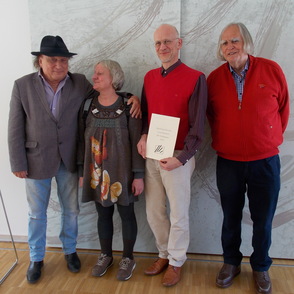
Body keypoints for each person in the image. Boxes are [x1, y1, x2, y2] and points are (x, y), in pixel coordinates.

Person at [7, 35, 140, 284]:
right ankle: (36, 258)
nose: (59, 65)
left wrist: (133, 97)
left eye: (64, 60)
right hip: (35, 160)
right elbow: (15, 126)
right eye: (53, 60)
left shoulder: (79, 82)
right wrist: (18, 163)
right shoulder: (22, 85)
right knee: (37, 214)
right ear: (40, 60)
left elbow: (110, 90)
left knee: (71, 211)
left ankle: (70, 252)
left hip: (70, 161)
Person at [207, 23, 290, 294]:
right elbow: (211, 116)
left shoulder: (271, 69)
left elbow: (283, 109)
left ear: (247, 42)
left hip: (265, 161)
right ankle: (231, 262)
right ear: (220, 50)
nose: (230, 47)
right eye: (224, 43)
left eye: (235, 40)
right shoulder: (214, 79)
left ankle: (261, 266)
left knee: (262, 218)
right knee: (230, 216)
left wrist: (266, 137)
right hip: (228, 161)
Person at [137, 24, 207, 287]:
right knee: (154, 211)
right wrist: (143, 135)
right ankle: (164, 254)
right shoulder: (149, 77)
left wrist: (183, 157)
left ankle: (177, 262)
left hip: (178, 156)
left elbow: (198, 124)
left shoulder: (195, 77)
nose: (162, 47)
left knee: (179, 213)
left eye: (167, 42)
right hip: (153, 152)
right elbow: (146, 114)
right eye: (157, 43)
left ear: (179, 43)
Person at [78, 59, 144, 281]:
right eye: (94, 73)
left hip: (124, 174)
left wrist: (139, 176)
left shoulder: (128, 106)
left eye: (99, 73)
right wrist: (81, 172)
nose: (94, 76)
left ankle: (128, 258)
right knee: (102, 215)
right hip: (96, 173)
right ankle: (105, 255)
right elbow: (81, 142)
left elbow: (137, 143)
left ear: (113, 78)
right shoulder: (87, 106)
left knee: (127, 215)